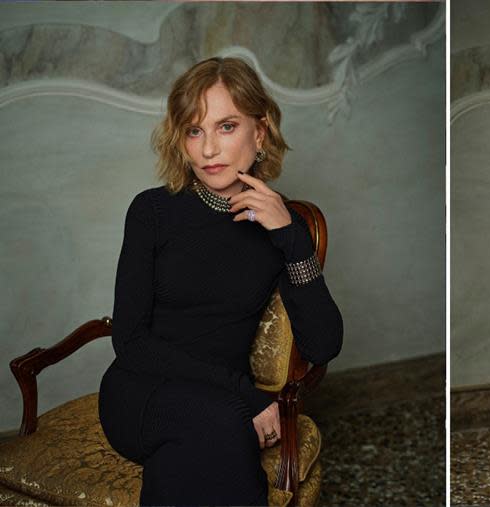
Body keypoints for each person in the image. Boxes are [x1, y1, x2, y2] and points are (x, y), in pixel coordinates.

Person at [98, 57, 343, 505]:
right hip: (140, 392)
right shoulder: (152, 211)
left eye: (226, 126)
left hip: (216, 406)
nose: (208, 149)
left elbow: (323, 345)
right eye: (195, 131)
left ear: (260, 132)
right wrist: (244, 395)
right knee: (223, 423)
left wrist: (292, 239)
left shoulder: (283, 226)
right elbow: (130, 341)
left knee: (202, 443)